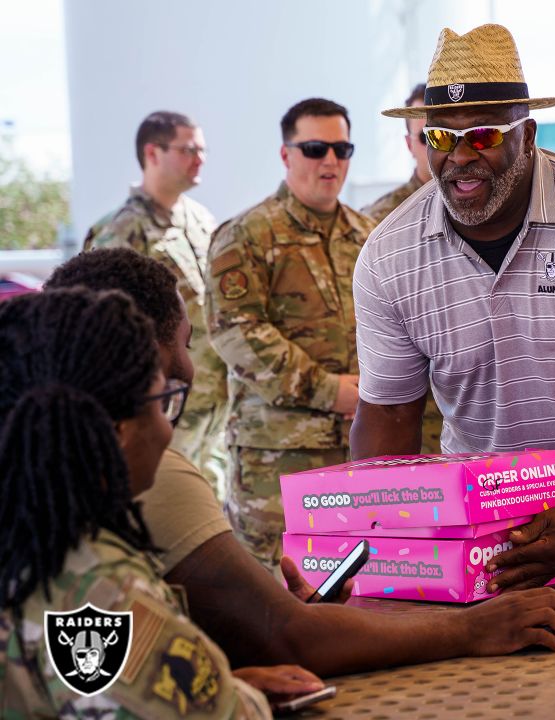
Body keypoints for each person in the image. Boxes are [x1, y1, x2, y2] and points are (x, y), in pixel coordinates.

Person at [44, 248, 555, 676]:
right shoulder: (152, 471)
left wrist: (239, 659)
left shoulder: (38, 448)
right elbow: (290, 637)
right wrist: (474, 630)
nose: (190, 365)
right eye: (182, 346)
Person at [350, 24, 555, 594]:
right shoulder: (388, 256)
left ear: (526, 135)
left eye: (481, 136)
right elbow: (388, 417)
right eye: (439, 139)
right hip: (487, 525)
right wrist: (378, 553)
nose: (458, 158)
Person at [0, 288, 323, 717]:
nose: (169, 430)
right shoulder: (98, 588)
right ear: (116, 431)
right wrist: (227, 698)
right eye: (162, 403)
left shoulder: (26, 537)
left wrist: (224, 682)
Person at [205, 98, 373, 571]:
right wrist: (329, 390)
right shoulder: (246, 235)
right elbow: (237, 332)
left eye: (342, 149)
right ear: (286, 155)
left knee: (361, 586)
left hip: (359, 447)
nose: (331, 161)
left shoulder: (369, 236)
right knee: (278, 594)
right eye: (316, 148)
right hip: (278, 460)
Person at [83, 110, 229, 498]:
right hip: (163, 410)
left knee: (207, 504)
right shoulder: (120, 231)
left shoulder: (200, 219)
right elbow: (104, 334)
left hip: (213, 405)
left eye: (202, 149)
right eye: (188, 149)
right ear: (153, 153)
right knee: (165, 508)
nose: (200, 158)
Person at [360, 82, 446, 455]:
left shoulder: (492, 210)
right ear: (409, 143)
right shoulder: (379, 226)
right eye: (429, 137)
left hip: (465, 414)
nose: (441, 148)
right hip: (401, 412)